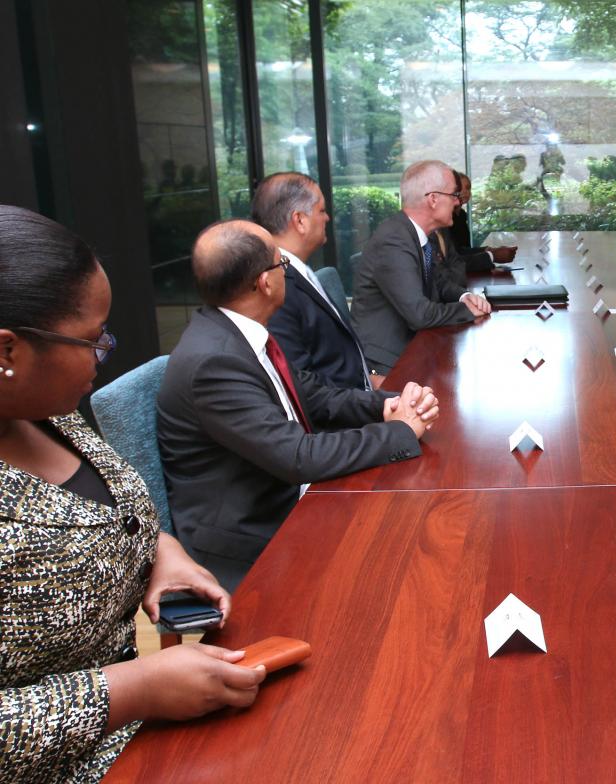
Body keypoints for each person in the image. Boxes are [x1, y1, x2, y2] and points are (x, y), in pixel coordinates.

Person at [0, 206, 264, 782]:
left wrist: (162, 557)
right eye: (92, 339)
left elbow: (116, 514)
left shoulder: (45, 416)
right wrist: (128, 691)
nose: (104, 354)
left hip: (148, 735)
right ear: (7, 351)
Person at [157, 220, 440, 592]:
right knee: (399, 559)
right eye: (282, 266)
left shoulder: (240, 330)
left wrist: (388, 405)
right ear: (265, 282)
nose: (286, 275)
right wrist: (399, 432)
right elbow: (297, 457)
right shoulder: (215, 362)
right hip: (251, 532)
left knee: (408, 526)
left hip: (285, 495)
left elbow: (315, 394)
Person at [350, 160, 492, 372]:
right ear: (433, 199)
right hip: (386, 362)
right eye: (454, 195)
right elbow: (420, 314)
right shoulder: (394, 240)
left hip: (415, 344)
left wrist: (464, 297)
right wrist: (466, 310)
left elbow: (439, 282)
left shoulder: (419, 234)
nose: (457, 202)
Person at [251, 172, 379, 390]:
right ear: (299, 220)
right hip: (343, 416)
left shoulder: (299, 271)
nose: (327, 218)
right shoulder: (275, 286)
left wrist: (373, 383)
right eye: (321, 210)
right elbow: (304, 387)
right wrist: (376, 404)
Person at [448, 170, 517, 275]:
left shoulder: (461, 215)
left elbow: (461, 250)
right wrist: (491, 255)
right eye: (460, 189)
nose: (466, 192)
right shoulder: (445, 220)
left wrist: (487, 250)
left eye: (468, 188)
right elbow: (454, 257)